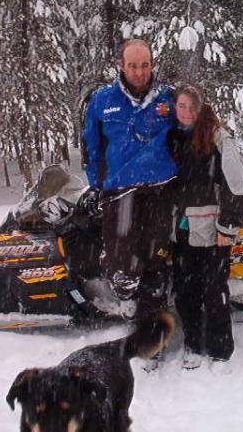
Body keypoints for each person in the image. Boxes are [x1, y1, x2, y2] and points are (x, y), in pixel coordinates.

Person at [81, 39, 177, 327]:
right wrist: (96, 184)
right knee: (121, 265)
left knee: (156, 262)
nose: (139, 72)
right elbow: (91, 146)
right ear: (121, 65)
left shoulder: (169, 98)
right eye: (133, 65)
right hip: (120, 193)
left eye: (145, 65)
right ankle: (129, 302)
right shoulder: (102, 100)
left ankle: (152, 331)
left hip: (161, 191)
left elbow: (189, 137)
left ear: (152, 65)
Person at [167, 85, 243, 370]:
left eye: (192, 106)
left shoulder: (218, 137)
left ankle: (220, 347)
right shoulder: (172, 136)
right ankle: (193, 343)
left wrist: (228, 227)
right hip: (181, 230)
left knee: (214, 290)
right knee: (185, 290)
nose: (187, 112)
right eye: (181, 106)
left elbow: (237, 186)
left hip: (214, 232)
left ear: (201, 107)